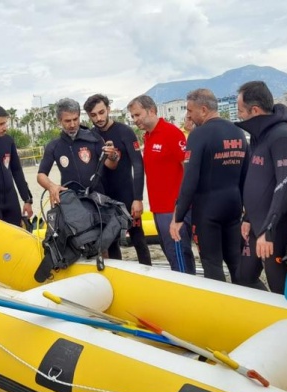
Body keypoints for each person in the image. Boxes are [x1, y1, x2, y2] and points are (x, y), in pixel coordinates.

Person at [170, 89, 247, 281]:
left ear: (203, 110)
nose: (188, 115)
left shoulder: (199, 135)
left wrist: (178, 216)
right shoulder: (237, 131)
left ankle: (220, 309)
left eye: (189, 110)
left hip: (208, 210)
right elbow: (246, 176)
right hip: (234, 205)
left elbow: (190, 180)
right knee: (236, 261)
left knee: (212, 263)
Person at [235, 81, 287, 293]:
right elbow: (256, 180)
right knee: (244, 278)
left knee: (278, 285)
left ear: (254, 110)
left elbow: (285, 185)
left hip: (275, 227)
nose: (239, 116)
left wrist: (268, 232)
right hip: (256, 223)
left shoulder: (281, 136)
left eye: (240, 111)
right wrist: (247, 219)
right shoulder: (258, 135)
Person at [127, 95, 195, 274]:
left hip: (173, 210)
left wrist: (180, 209)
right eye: (132, 117)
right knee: (171, 256)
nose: (135, 120)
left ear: (151, 111)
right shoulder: (148, 137)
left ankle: (188, 295)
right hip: (157, 209)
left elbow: (188, 171)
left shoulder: (171, 133)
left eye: (137, 115)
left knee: (180, 258)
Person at [83, 94, 151, 265]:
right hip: (105, 199)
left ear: (108, 110)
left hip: (127, 195)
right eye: (93, 115)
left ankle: (148, 275)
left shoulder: (124, 132)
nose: (98, 118)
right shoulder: (91, 136)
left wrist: (138, 198)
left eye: (101, 112)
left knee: (138, 238)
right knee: (111, 242)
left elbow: (138, 165)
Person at [37, 98, 118, 205]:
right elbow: (41, 175)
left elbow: (111, 165)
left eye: (75, 119)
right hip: (71, 202)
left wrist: (112, 156)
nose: (72, 124)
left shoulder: (94, 138)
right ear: (59, 120)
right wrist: (52, 186)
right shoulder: (54, 146)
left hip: (97, 200)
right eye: (67, 121)